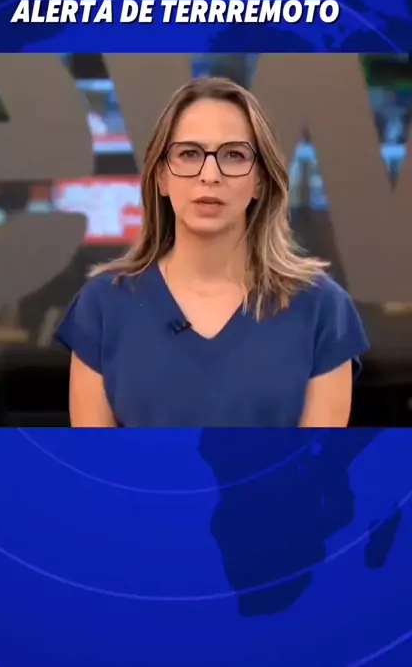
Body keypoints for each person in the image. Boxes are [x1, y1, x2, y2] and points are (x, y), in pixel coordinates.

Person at [55, 77, 369, 428]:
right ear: (161, 177)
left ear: (260, 180)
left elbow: (315, 461)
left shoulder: (322, 309)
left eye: (233, 155)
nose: (209, 175)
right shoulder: (102, 306)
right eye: (189, 154)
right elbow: (97, 460)